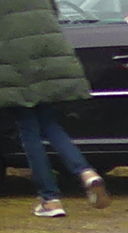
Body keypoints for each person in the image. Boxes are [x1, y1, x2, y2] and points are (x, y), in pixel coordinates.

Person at [3, 0, 109, 217]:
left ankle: (50, 199)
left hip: (15, 66)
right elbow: (54, 15)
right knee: (51, 124)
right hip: (49, 62)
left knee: (29, 130)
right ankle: (86, 172)